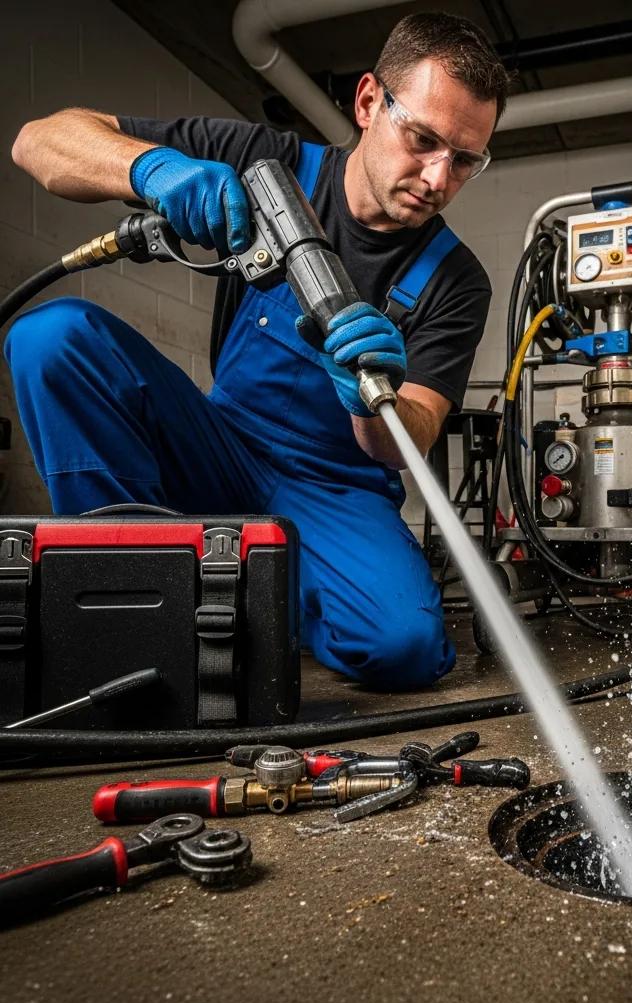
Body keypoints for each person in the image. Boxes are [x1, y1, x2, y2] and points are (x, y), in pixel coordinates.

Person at [5, 13, 510, 689]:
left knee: (404, 647)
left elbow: (411, 433)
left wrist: (369, 395)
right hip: (222, 448)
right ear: (367, 103)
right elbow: (39, 143)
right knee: (52, 338)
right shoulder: (267, 165)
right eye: (422, 139)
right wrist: (152, 170)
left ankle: (260, 594)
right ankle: (119, 595)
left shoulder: (455, 278)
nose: (438, 176)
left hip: (338, 489)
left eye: (466, 159)